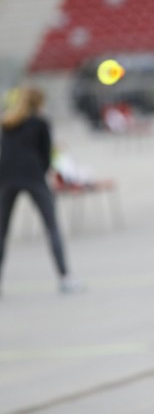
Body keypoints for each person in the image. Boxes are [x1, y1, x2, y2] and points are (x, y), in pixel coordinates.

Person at [0, 86, 83, 294]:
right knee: (51, 227)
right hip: (34, 176)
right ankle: (65, 277)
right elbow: (46, 155)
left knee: (2, 232)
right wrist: (43, 171)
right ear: (39, 103)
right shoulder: (40, 123)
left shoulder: (8, 122)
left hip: (7, 177)